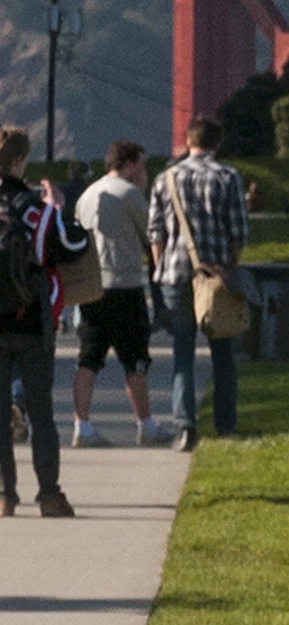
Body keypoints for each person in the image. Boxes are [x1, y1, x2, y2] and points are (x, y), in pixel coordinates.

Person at [0, 125, 92, 516]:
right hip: (33, 322)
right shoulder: (35, 209)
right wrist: (56, 207)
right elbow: (73, 245)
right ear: (20, 161)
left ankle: (5, 495)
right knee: (41, 412)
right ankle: (49, 494)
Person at [151, 118, 250, 447]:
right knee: (224, 354)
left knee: (182, 352)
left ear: (188, 139)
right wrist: (229, 268)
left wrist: (160, 265)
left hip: (175, 274)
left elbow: (155, 232)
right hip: (217, 274)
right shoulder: (228, 177)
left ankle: (185, 426)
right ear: (217, 143)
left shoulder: (166, 178)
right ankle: (225, 427)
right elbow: (239, 232)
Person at [70, 139, 162, 449]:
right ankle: (146, 424)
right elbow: (151, 234)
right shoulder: (130, 194)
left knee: (88, 359)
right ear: (130, 164)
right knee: (135, 360)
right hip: (125, 286)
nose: (144, 171)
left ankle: (82, 426)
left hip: (92, 287)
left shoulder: (87, 195)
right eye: (142, 165)